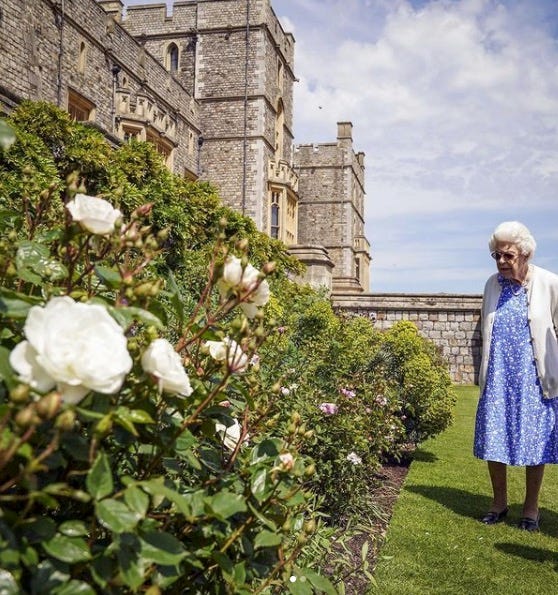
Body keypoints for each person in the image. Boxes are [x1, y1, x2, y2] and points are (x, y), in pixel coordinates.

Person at [474, 221, 558, 531]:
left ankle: (531, 508)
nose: (501, 262)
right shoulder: (491, 285)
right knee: (494, 441)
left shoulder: (549, 283)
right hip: (498, 377)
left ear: (525, 253)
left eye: (507, 255)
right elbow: (486, 329)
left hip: (534, 380)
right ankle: (498, 503)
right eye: (496, 255)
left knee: (536, 443)